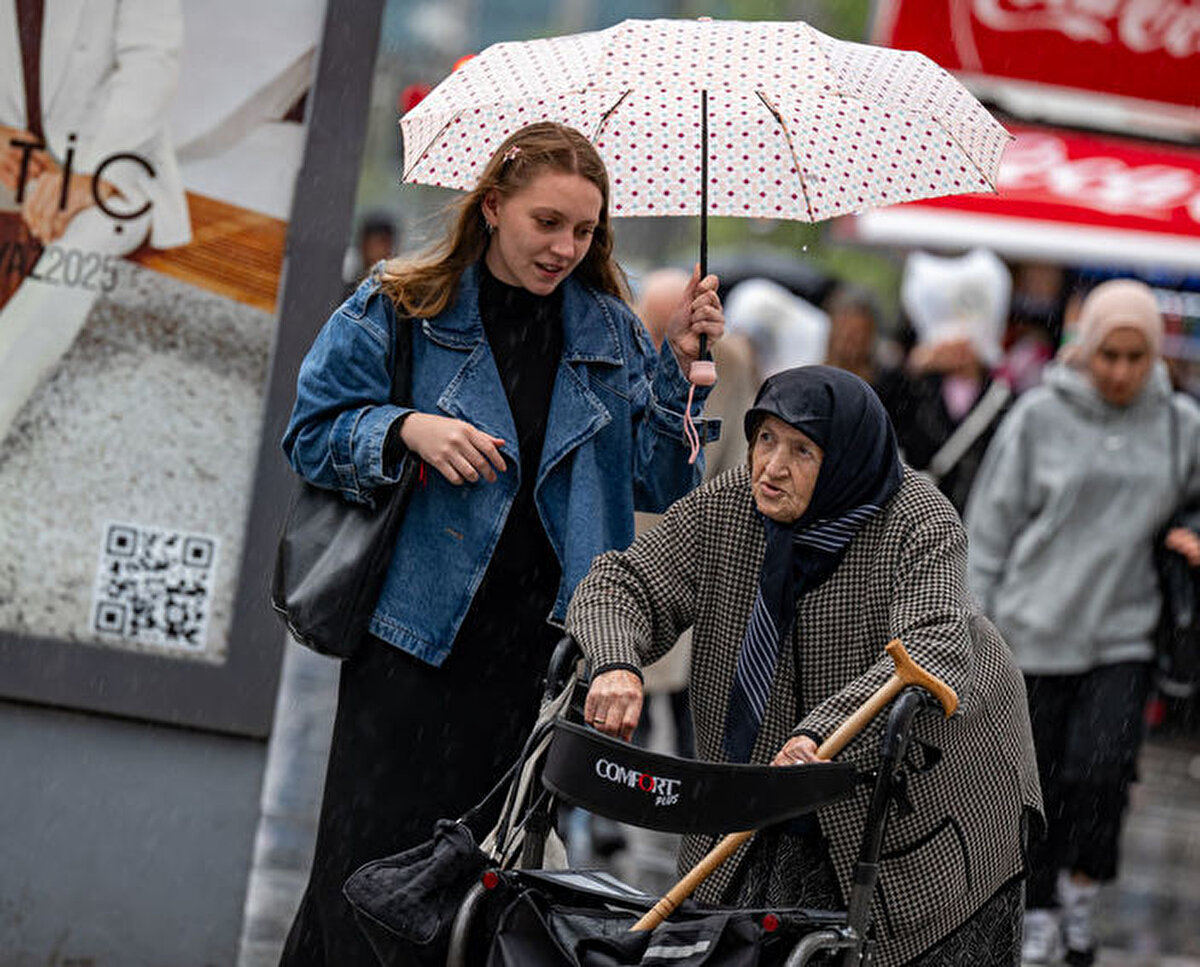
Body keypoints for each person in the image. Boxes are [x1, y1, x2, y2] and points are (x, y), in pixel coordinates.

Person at [278, 121, 725, 965]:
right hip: (409, 648)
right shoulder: (402, 304)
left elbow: (665, 483)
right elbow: (309, 432)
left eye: (584, 230)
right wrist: (405, 427)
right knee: (366, 874)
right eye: (547, 222)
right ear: (492, 207)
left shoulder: (612, 335)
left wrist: (677, 365)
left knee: (475, 902)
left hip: (538, 668)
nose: (566, 246)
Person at [568, 365, 1042, 967]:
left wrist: (820, 731)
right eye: (764, 438)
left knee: (907, 936)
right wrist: (616, 661)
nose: (771, 466)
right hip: (772, 766)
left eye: (801, 449)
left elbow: (931, 643)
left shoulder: (918, 519)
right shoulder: (731, 504)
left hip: (934, 771)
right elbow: (624, 581)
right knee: (741, 931)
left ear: (843, 457)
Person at [965, 278, 1200, 966]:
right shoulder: (1038, 416)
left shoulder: (1179, 424)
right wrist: (979, 628)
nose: (1121, 371)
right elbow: (991, 526)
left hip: (1123, 632)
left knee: (1102, 773)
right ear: (1085, 349)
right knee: (1034, 786)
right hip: (1030, 634)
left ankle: (1080, 892)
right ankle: (1034, 905)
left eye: (1135, 356)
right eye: (1108, 355)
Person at [0, 0, 191, 444]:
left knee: (82, 244)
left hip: (114, 160)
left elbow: (151, 63)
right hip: (17, 151)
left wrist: (94, 174)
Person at [885, 248, 1013, 514]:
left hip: (975, 518)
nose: (960, 343)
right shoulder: (914, 388)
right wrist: (913, 369)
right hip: (920, 517)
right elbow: (886, 419)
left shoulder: (1002, 399)